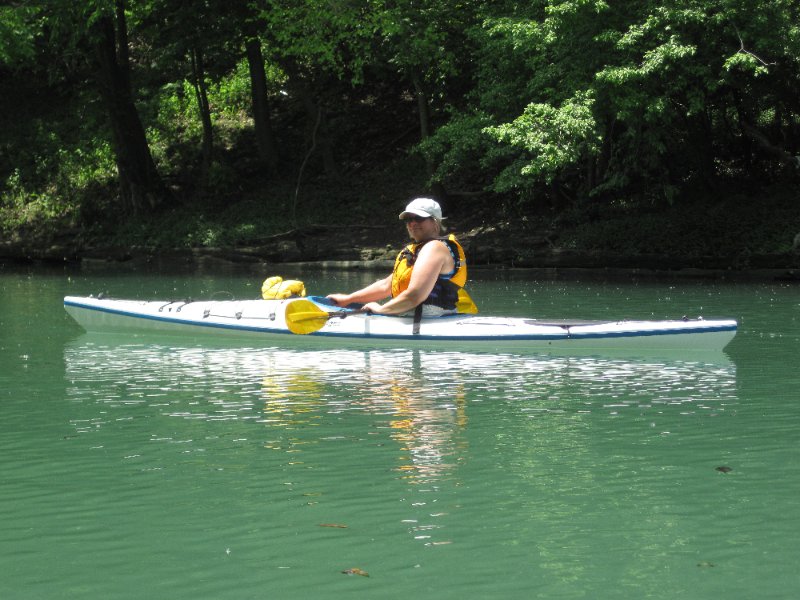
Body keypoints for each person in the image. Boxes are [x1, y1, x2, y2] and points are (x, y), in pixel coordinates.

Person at [326, 197, 471, 317]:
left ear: (435, 222)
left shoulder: (434, 248)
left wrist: (380, 310)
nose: (412, 223)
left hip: (426, 322)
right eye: (408, 219)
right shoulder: (418, 250)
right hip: (413, 318)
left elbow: (415, 295)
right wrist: (348, 299)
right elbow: (386, 286)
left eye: (419, 218)